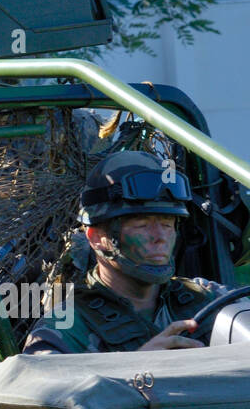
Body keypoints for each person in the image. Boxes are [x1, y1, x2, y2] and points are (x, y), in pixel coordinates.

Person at [23, 150, 229, 354]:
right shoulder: (66, 327)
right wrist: (139, 367)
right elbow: (38, 385)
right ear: (96, 238)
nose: (160, 237)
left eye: (167, 224)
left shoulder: (207, 297)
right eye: (141, 225)